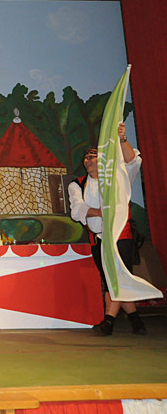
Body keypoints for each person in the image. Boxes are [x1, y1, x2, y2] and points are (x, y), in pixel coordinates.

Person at [68, 123, 146, 336]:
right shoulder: (77, 184)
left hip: (121, 235)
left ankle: (109, 322)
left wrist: (122, 139)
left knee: (115, 278)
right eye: (86, 158)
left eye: (92, 156)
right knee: (113, 278)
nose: (87, 160)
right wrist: (101, 212)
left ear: (103, 160)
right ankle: (136, 321)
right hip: (99, 239)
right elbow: (77, 210)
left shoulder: (118, 177)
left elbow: (133, 161)